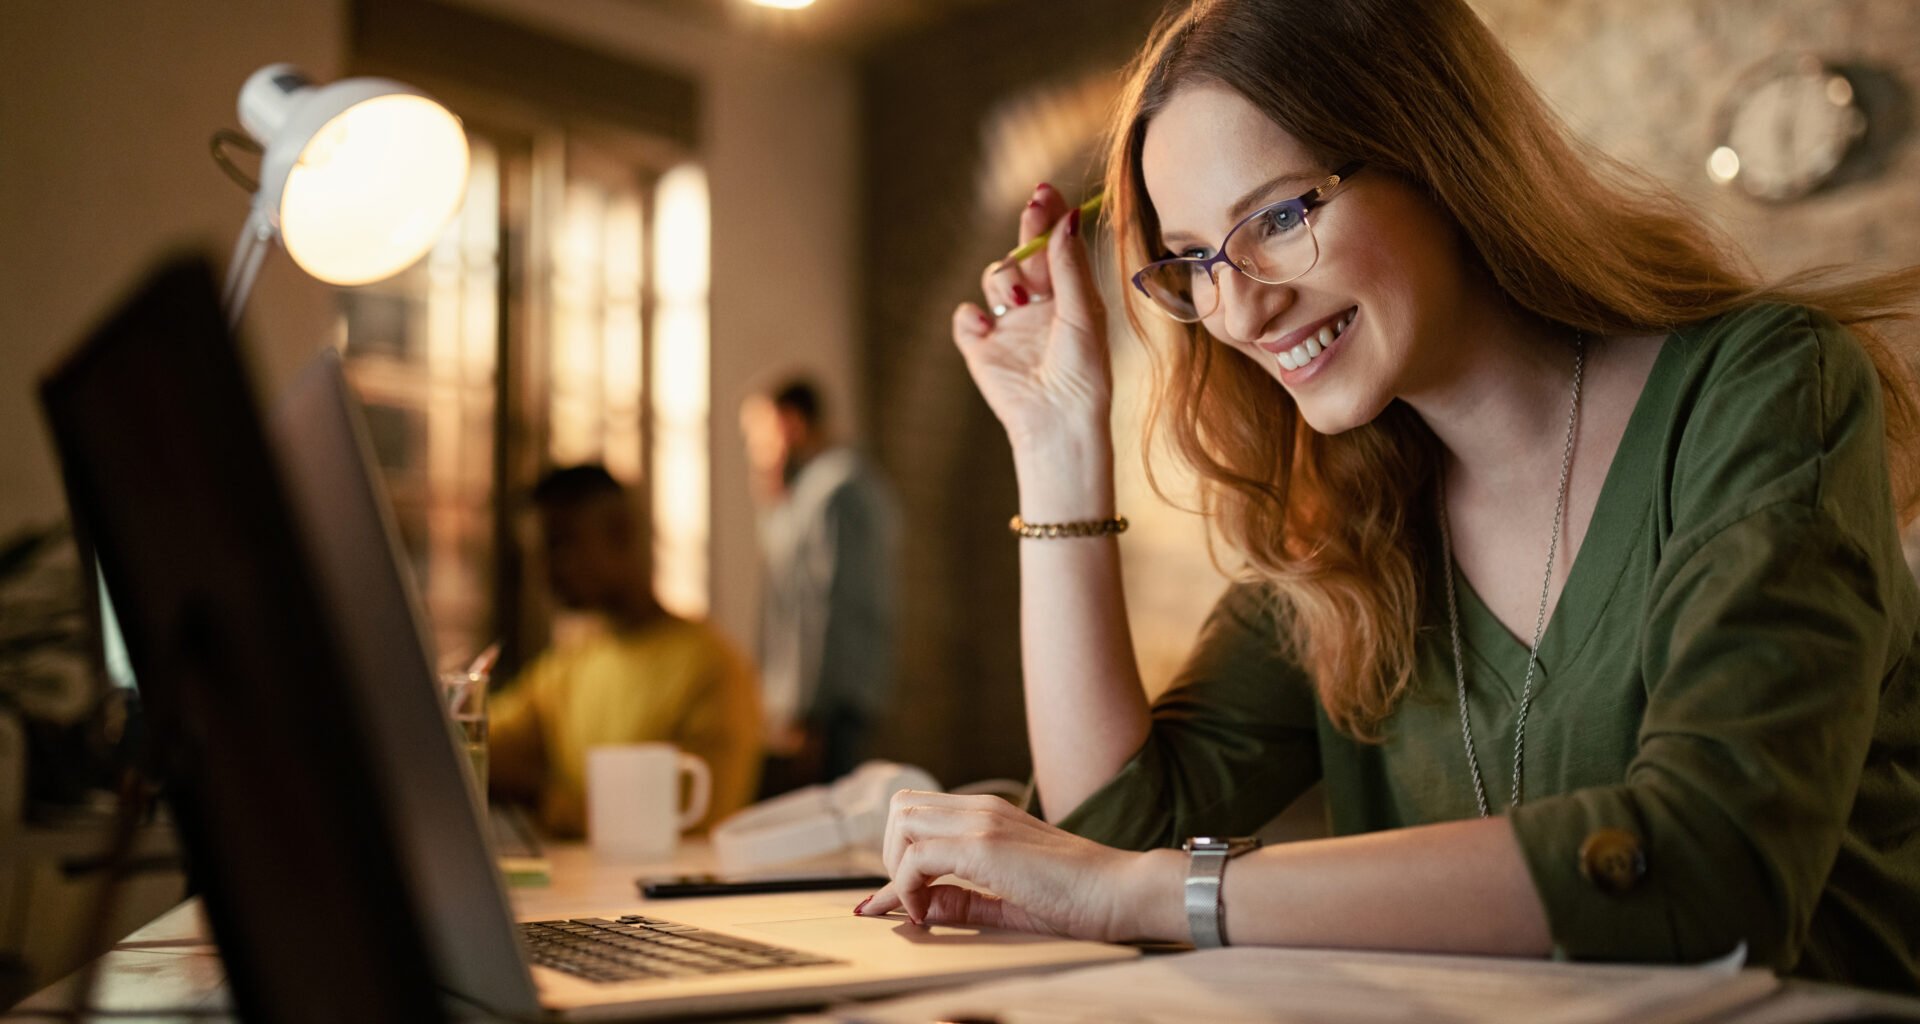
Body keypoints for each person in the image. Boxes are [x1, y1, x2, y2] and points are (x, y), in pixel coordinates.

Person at [854, 0, 1920, 993]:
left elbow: (1710, 863)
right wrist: (1054, 440)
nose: (1240, 308)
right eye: (1191, 263)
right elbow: (1115, 827)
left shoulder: (1766, 387)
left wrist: (1143, 893)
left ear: (1436, 154)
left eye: (1276, 217)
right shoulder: (1348, 515)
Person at [489, 465, 761, 837]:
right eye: (537, 554)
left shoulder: (713, 668)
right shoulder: (568, 665)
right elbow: (480, 739)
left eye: (559, 544)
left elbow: (695, 819)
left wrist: (540, 796)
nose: (546, 571)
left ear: (621, 532)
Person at [740, 378, 901, 793]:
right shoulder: (808, 490)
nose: (754, 447)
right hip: (814, 699)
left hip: (828, 701)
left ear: (790, 423)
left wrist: (809, 712)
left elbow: (828, 606)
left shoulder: (837, 490)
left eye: (758, 432)